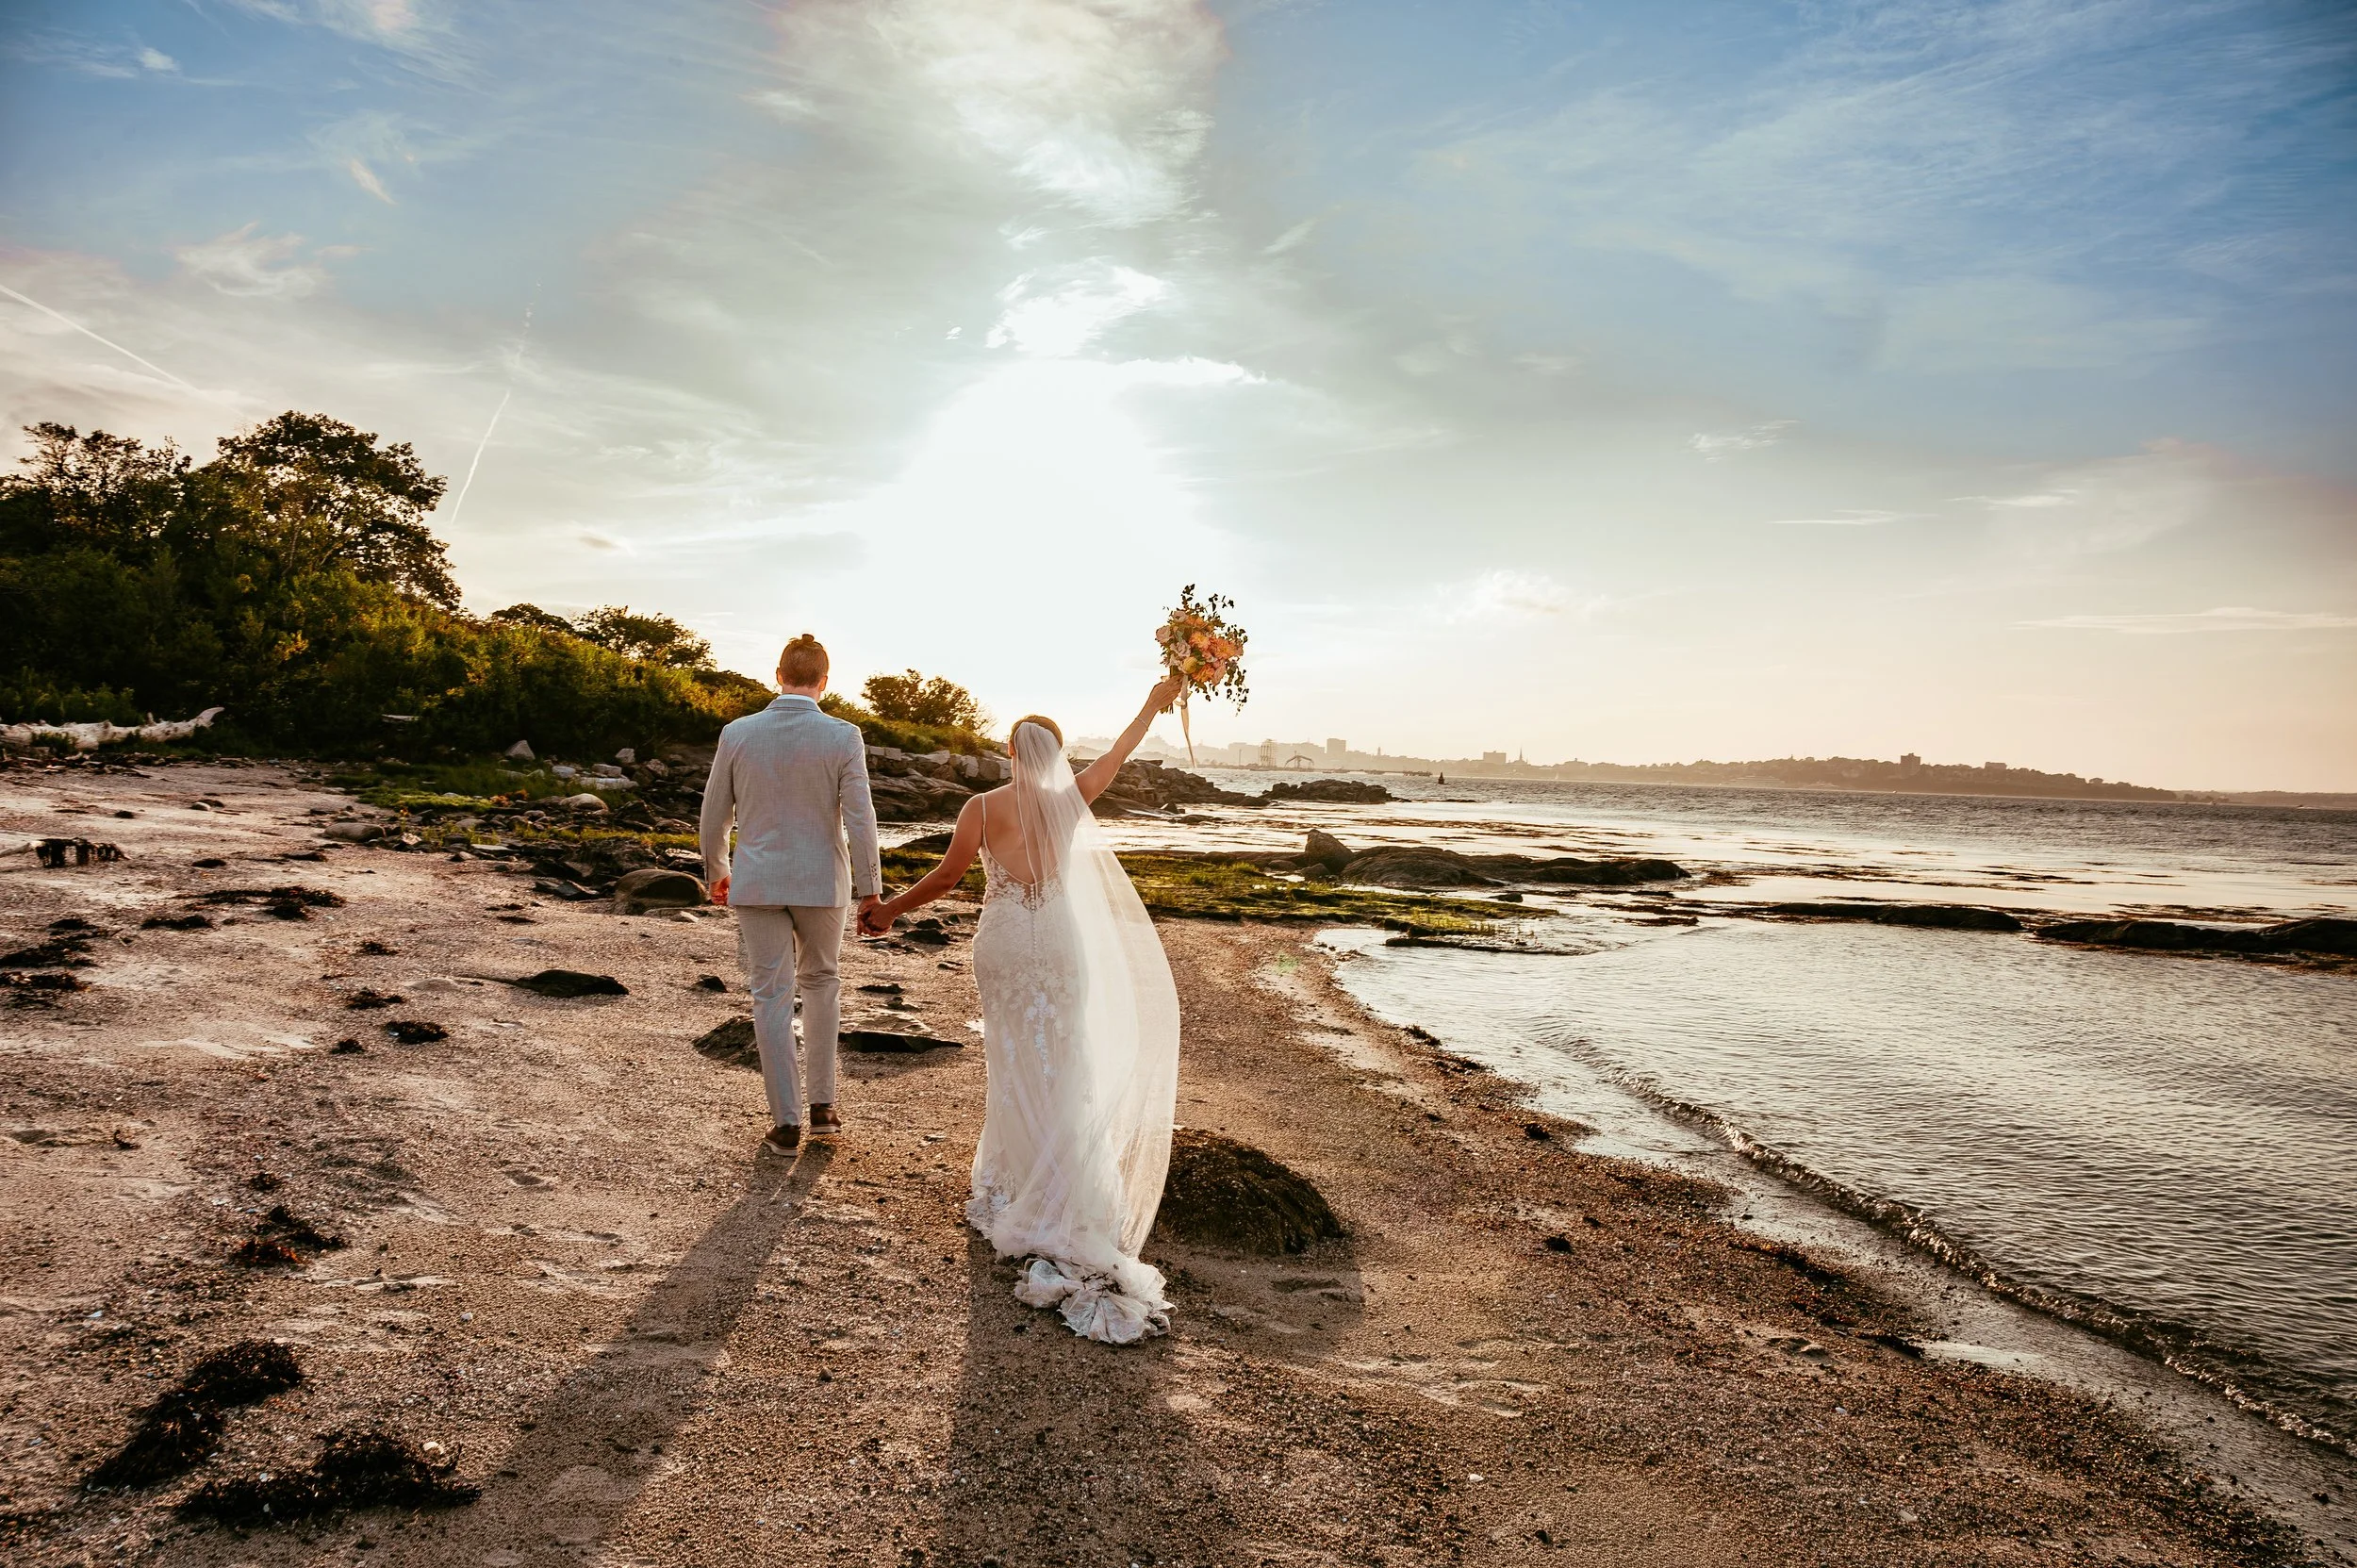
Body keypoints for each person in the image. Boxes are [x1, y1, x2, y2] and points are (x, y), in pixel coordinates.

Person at [862, 674, 1186, 1343]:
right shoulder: (1071, 800)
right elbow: (1121, 751)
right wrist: (1155, 703)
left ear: (1012, 751)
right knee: (1064, 1055)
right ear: (1056, 756)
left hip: (1006, 942)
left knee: (1011, 1059)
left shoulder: (981, 806)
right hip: (1060, 944)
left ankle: (1015, 1183)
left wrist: (891, 908)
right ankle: (1063, 1182)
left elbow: (950, 876)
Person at [700, 633, 883, 1153]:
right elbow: (860, 818)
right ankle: (823, 1107)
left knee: (770, 994)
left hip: (756, 880)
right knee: (822, 981)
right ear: (824, 682)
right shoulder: (844, 735)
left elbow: (716, 813)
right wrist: (871, 890)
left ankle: (785, 1122)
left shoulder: (737, 733)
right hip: (822, 881)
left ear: (777, 675)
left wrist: (716, 870)